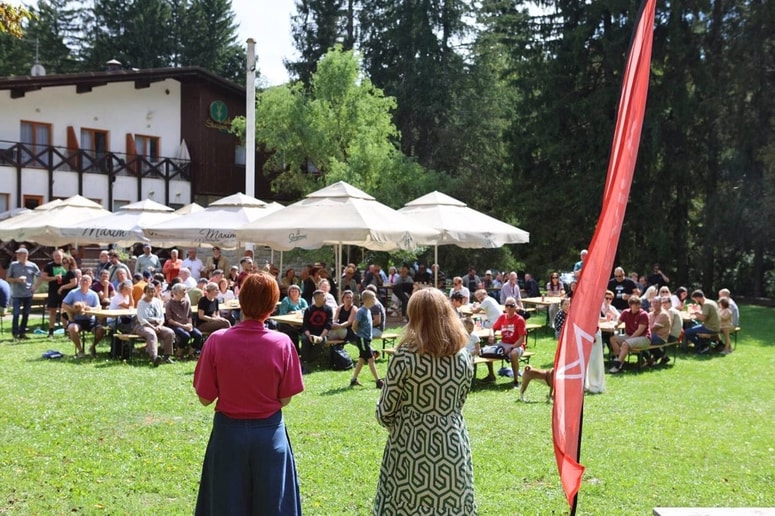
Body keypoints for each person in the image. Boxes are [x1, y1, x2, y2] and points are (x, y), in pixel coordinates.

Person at [193, 271, 303, 515]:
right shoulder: (283, 343)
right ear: (272, 305)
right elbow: (285, 398)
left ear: (241, 301)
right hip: (270, 437)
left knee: (224, 507)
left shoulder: (216, 341)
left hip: (228, 437)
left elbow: (204, 398)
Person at [374, 288, 476, 514]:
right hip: (452, 443)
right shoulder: (463, 356)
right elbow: (459, 403)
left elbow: (385, 411)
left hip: (411, 446)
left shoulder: (405, 356)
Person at [488, 296, 528, 388]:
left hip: (517, 345)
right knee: (487, 350)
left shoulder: (520, 320)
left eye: (511, 305)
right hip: (503, 343)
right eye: (507, 305)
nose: (509, 308)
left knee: (513, 353)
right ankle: (491, 375)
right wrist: (491, 335)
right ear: (504, 307)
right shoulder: (502, 317)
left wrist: (511, 347)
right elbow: (492, 328)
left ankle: (515, 381)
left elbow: (522, 339)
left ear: (515, 307)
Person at [61, 275, 105, 357]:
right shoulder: (73, 293)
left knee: (101, 330)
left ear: (90, 283)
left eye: (87, 280)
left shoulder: (94, 294)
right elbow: (63, 304)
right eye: (83, 280)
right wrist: (74, 310)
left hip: (90, 320)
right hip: (76, 320)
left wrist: (90, 309)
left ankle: (92, 347)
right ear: (79, 282)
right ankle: (80, 350)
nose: (85, 282)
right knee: (72, 328)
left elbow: (98, 307)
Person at [134, 284, 176, 367]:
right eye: (149, 292)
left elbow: (161, 317)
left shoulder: (158, 302)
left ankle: (166, 356)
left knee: (169, 332)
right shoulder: (141, 303)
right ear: (145, 292)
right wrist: (153, 327)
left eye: (152, 291)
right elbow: (141, 319)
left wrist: (159, 326)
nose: (151, 293)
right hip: (144, 325)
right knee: (151, 334)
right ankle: (154, 357)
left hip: (157, 324)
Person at [349, 290, 383, 388]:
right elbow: (354, 325)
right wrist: (359, 334)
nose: (375, 300)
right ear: (367, 300)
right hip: (362, 339)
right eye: (373, 299)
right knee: (371, 358)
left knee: (361, 359)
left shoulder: (368, 311)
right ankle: (378, 381)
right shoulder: (361, 311)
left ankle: (354, 379)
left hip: (366, 339)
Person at [608, 296, 651, 373]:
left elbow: (639, 331)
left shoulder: (643, 314)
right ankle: (620, 361)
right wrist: (615, 326)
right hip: (630, 335)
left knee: (625, 344)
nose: (638, 306)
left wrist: (629, 339)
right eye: (636, 304)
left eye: (639, 304)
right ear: (630, 305)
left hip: (644, 338)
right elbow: (618, 323)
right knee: (613, 338)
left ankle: (617, 366)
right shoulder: (625, 312)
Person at [7, 247, 41, 341]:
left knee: (26, 314)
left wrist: (35, 287)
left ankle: (22, 333)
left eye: (19, 254)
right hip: (16, 294)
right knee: (16, 314)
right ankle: (15, 334)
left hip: (28, 294)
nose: (17, 255)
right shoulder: (13, 265)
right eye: (17, 254)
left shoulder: (32, 265)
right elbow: (8, 278)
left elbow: (40, 276)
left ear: (26, 255)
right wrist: (17, 280)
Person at [166, 283, 203, 358]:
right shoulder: (169, 304)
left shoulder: (187, 302)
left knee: (198, 335)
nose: (185, 292)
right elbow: (170, 320)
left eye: (185, 290)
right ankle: (179, 353)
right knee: (185, 336)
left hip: (186, 324)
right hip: (175, 325)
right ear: (176, 293)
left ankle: (191, 353)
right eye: (183, 291)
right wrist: (183, 326)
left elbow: (189, 315)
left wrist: (190, 324)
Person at [300, 289, 333, 373]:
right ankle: (305, 363)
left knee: (321, 342)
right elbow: (305, 325)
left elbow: (328, 325)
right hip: (310, 333)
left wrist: (321, 337)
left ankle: (307, 361)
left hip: (321, 333)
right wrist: (309, 335)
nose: (325, 299)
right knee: (304, 340)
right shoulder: (308, 310)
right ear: (316, 298)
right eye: (323, 297)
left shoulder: (328, 309)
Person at [41, 249, 67, 338]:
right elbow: (43, 277)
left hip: (65, 292)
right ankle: (51, 332)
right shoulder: (49, 266)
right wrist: (54, 278)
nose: (57, 257)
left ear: (62, 256)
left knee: (64, 312)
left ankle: (66, 331)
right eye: (56, 256)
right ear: (53, 257)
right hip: (53, 292)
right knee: (52, 312)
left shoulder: (66, 264)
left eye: (59, 255)